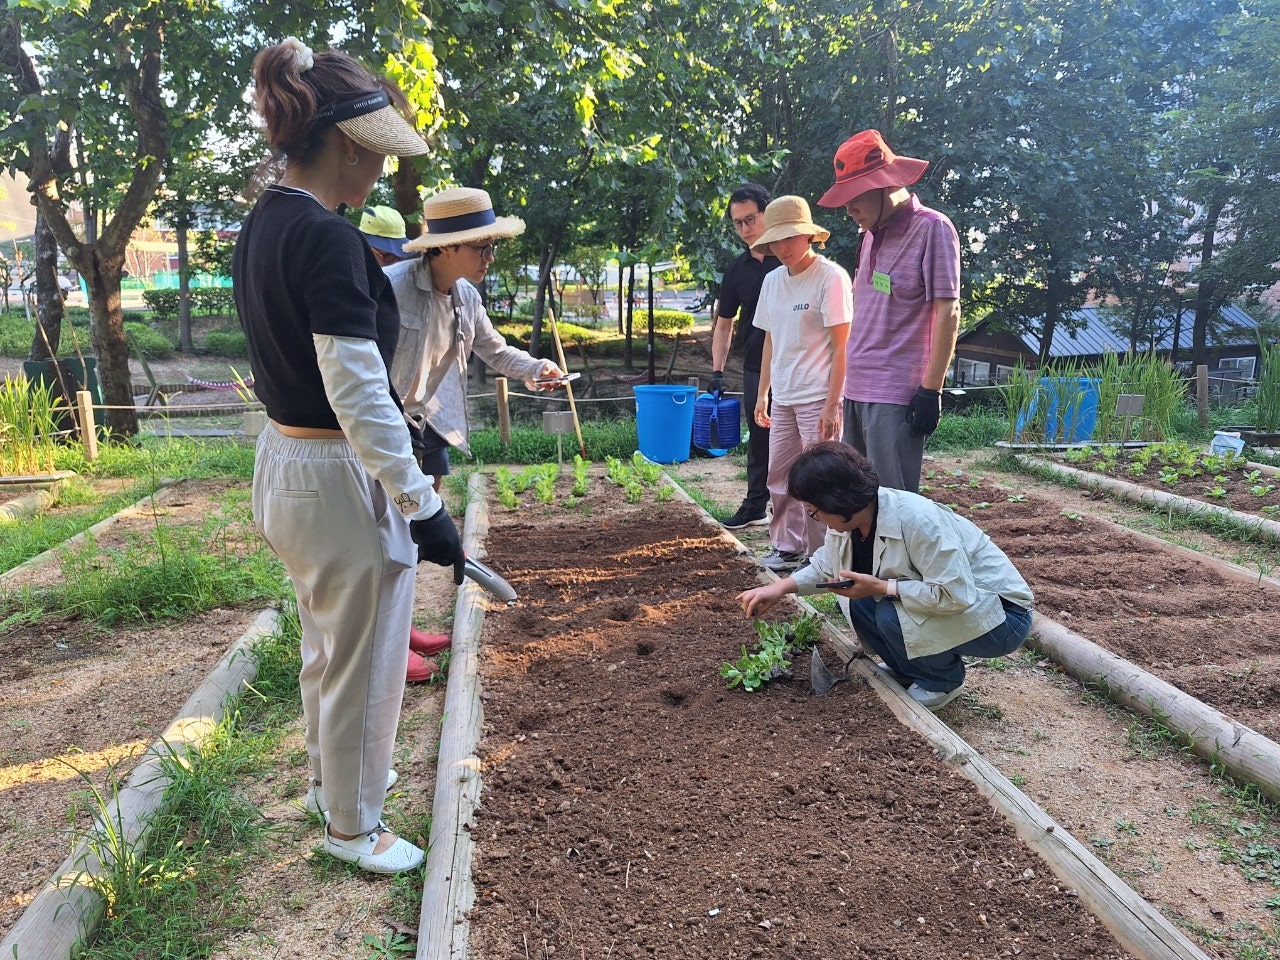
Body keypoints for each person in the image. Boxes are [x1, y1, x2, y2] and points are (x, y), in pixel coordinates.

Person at [232, 37, 463, 875]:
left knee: (327, 645)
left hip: (284, 461)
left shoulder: (263, 222)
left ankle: (332, 784)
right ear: (346, 142)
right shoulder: (328, 239)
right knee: (364, 661)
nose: (379, 173)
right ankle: (354, 826)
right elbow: (358, 390)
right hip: (336, 468)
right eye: (374, 153)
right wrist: (422, 504)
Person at [738, 442, 1034, 710]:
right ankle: (910, 672)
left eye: (814, 511)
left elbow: (956, 594)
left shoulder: (917, 521)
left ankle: (942, 682)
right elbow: (826, 566)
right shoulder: (850, 521)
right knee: (862, 604)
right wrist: (779, 588)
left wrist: (884, 586)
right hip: (957, 604)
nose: (814, 518)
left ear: (837, 503)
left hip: (1002, 615)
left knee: (890, 615)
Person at [386, 184, 563, 491]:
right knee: (400, 509)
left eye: (493, 247)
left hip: (428, 417)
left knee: (426, 506)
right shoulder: (391, 289)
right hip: (385, 422)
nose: (490, 258)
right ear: (446, 246)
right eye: (482, 248)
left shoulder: (467, 298)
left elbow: (496, 351)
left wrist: (537, 369)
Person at [816, 129, 961, 494]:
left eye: (855, 198)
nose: (848, 210)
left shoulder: (933, 228)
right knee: (856, 498)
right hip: (857, 386)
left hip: (895, 393)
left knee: (894, 501)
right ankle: (864, 555)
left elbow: (949, 311)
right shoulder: (868, 235)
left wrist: (931, 390)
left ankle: (900, 555)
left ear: (885, 185)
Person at [749, 196, 851, 573]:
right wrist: (763, 392)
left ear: (809, 235)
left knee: (820, 479)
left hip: (817, 396)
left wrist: (831, 402)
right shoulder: (772, 281)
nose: (783, 248)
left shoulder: (831, 277)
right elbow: (770, 341)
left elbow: (842, 346)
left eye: (790, 238)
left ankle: (822, 556)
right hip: (784, 396)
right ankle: (786, 546)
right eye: (775, 241)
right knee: (780, 474)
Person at [709, 183, 780, 530]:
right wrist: (717, 371)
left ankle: (809, 512)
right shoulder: (736, 271)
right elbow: (724, 325)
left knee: (805, 443)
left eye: (750, 219)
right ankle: (755, 505)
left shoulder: (792, 257)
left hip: (802, 365)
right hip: (755, 366)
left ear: (767, 212)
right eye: (737, 223)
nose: (745, 229)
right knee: (760, 437)